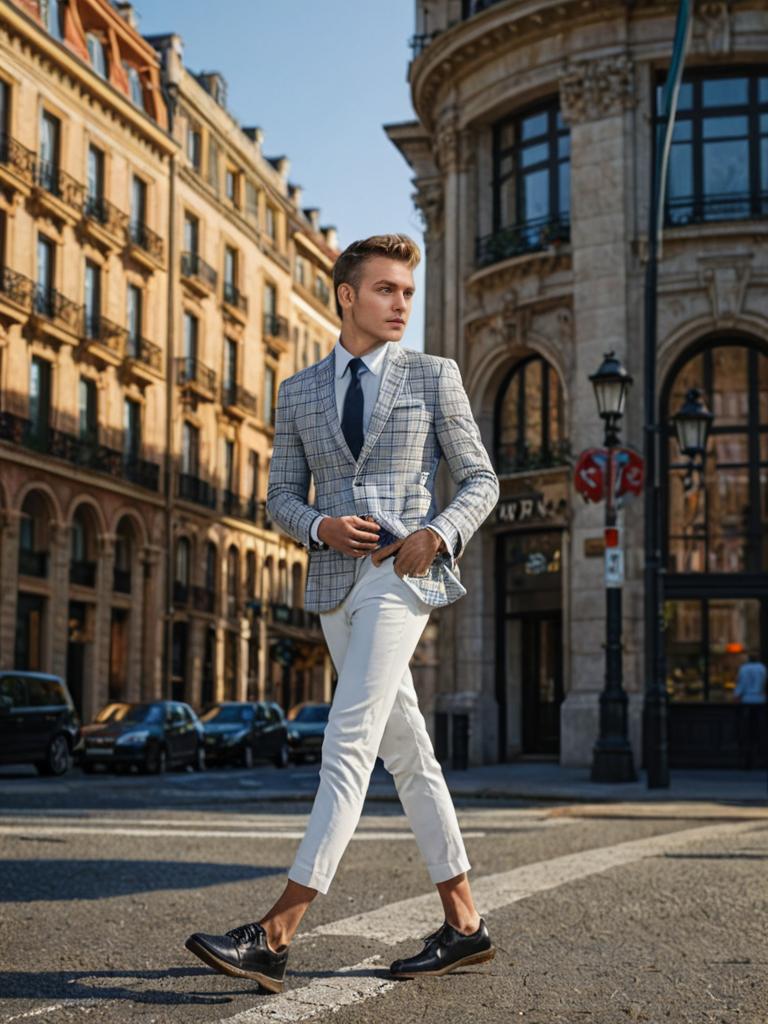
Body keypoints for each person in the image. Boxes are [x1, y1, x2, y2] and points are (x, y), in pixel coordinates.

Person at [185, 234, 500, 992]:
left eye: (407, 293)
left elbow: (481, 480)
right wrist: (320, 526)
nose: (401, 304)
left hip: (402, 573)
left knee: (348, 739)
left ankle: (278, 929)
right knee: (408, 751)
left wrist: (437, 532)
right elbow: (280, 498)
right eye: (386, 290)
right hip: (333, 582)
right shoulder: (297, 391)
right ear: (345, 294)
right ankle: (465, 924)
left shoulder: (434, 376)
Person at [734, 653, 767, 770]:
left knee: (746, 732)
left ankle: (747, 760)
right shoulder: (762, 668)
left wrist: (737, 696)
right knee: (759, 731)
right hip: (760, 701)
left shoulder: (744, 669)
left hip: (746, 701)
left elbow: (740, 684)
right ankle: (760, 758)